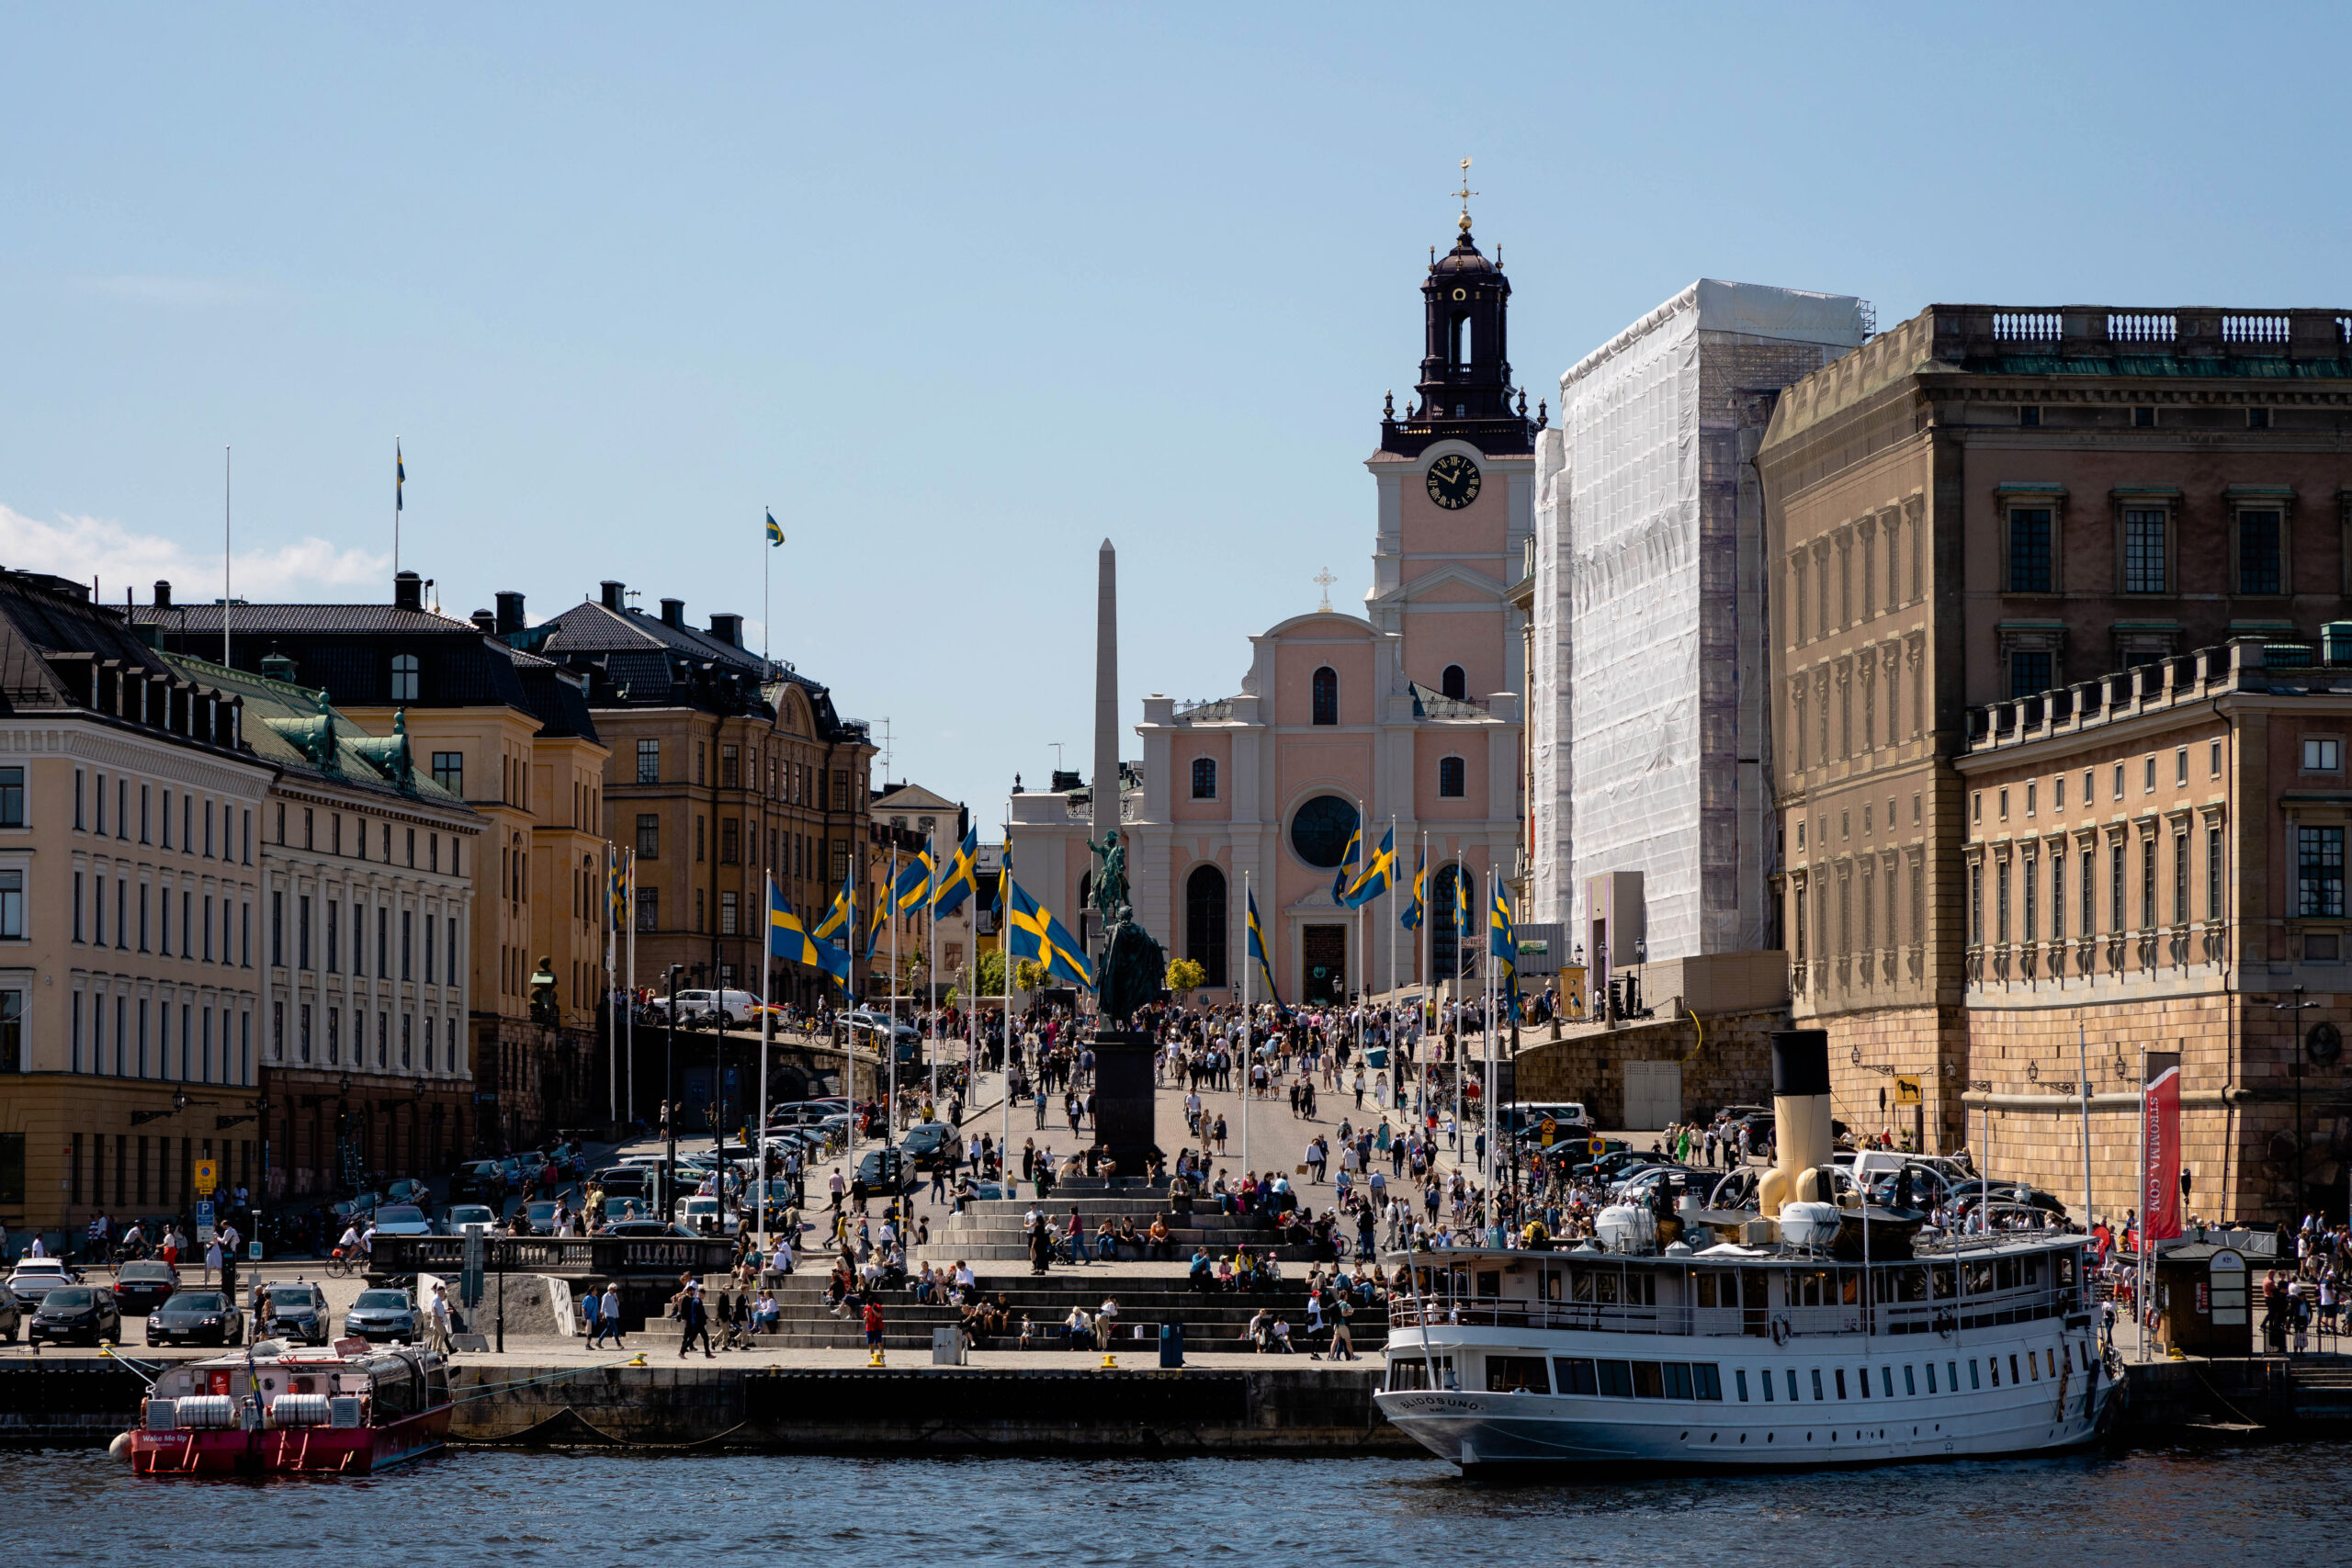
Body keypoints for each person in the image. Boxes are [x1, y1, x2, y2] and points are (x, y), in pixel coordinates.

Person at [678, 1281, 715, 1359]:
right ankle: (682, 1352)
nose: (704, 1296)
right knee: (695, 1338)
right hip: (698, 1323)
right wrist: (710, 1320)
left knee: (694, 1338)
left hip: (696, 1323)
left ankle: (682, 1352)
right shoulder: (697, 1301)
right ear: (701, 1294)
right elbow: (701, 1313)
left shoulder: (695, 1300)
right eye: (703, 1295)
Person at [426, 1283, 455, 1354]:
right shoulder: (437, 1298)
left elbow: (440, 1310)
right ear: (440, 1291)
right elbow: (435, 1308)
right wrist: (438, 1318)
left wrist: (448, 1311)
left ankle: (433, 1349)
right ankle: (438, 1350)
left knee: (436, 1335)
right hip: (437, 1319)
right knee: (443, 1334)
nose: (443, 1293)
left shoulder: (438, 1298)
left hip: (437, 1318)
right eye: (443, 1291)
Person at [598, 1282, 625, 1348]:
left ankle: (599, 1341)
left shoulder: (614, 1295)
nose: (614, 1291)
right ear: (610, 1289)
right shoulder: (606, 1296)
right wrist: (603, 1315)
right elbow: (603, 1306)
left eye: (615, 1290)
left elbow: (617, 1304)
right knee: (615, 1329)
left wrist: (616, 1300)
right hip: (608, 1315)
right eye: (613, 1290)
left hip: (613, 1314)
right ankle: (618, 1344)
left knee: (608, 1329)